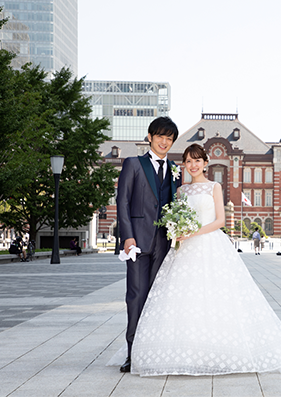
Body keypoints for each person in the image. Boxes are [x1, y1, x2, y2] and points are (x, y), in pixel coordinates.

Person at [125, 143, 281, 376]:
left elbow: (221, 221)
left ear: (205, 163)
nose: (193, 165)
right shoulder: (180, 191)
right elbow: (170, 214)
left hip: (209, 244)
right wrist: (176, 230)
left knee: (217, 295)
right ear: (184, 165)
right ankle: (188, 349)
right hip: (183, 249)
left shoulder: (214, 187)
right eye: (188, 161)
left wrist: (192, 232)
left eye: (197, 160)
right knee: (185, 298)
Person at [115, 117, 181, 373]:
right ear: (150, 137)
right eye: (160, 136)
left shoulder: (175, 168)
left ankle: (154, 350)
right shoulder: (133, 164)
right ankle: (133, 354)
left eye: (169, 138)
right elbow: (123, 202)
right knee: (136, 296)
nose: (164, 142)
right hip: (138, 242)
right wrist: (127, 237)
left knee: (158, 299)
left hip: (165, 244)